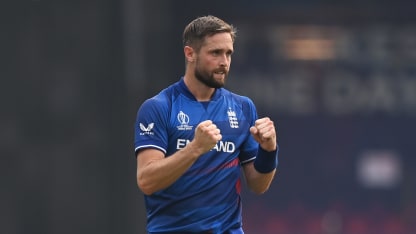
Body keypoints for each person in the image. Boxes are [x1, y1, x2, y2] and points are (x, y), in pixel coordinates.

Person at [134, 15, 279, 234]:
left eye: (228, 53)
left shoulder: (242, 107)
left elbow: (258, 185)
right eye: (215, 53)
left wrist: (269, 151)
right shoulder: (159, 107)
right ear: (190, 53)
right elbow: (147, 181)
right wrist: (194, 149)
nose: (224, 62)